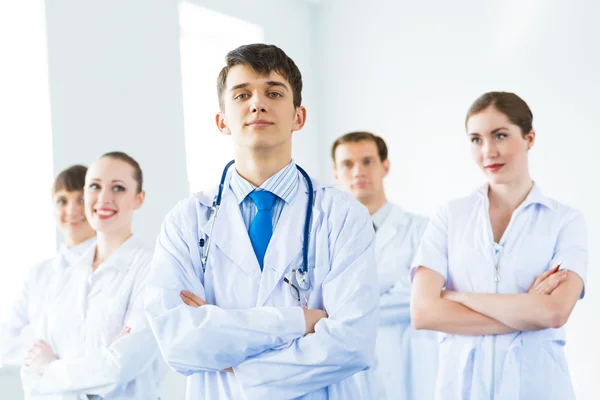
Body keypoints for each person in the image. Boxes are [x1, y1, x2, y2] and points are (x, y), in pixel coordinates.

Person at [145, 43, 379, 399]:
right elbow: (178, 342)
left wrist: (231, 357)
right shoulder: (186, 220)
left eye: (273, 92)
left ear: (299, 116)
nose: (257, 103)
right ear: (222, 121)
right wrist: (300, 321)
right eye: (242, 94)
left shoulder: (343, 215)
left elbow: (352, 343)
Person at [411, 92, 587, 400]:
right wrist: (526, 312)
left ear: (529, 138)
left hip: (538, 389)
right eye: (476, 139)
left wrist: (457, 297)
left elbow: (555, 312)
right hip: (462, 391)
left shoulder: (565, 221)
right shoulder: (450, 216)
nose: (488, 151)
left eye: (500, 135)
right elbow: (424, 312)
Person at [20, 152, 165, 399]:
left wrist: (50, 369)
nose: (103, 198)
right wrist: (98, 363)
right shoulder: (63, 276)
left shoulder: (153, 269)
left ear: (138, 199)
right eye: (95, 186)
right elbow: (31, 373)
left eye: (118, 188)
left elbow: (118, 368)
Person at [332, 131, 437, 399]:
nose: (358, 171)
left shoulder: (422, 230)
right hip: (349, 372)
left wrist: (344, 311)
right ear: (336, 174)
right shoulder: (326, 240)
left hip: (407, 366)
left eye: (367, 161)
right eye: (347, 164)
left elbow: (417, 298)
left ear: (385, 166)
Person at [0, 165, 96, 367]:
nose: (72, 210)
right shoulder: (38, 274)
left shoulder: (114, 264)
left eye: (81, 199)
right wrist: (42, 358)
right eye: (62, 201)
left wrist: (56, 359)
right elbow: (5, 344)